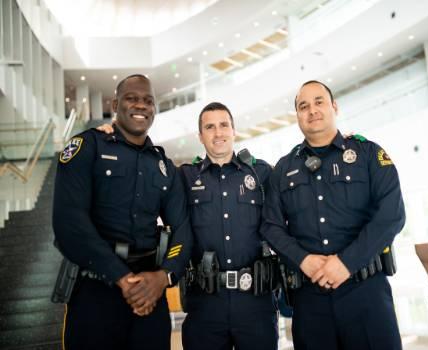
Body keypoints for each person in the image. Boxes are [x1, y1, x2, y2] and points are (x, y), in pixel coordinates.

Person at [261, 80, 405, 350]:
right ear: (298, 116)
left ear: (334, 107)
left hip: (366, 293)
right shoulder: (284, 168)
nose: (312, 110)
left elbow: (392, 214)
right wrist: (302, 260)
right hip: (310, 300)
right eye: (303, 106)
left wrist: (346, 262)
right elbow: (271, 226)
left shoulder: (369, 153)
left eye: (319, 102)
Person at [52, 74, 191, 350]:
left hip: (150, 294)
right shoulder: (87, 147)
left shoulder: (163, 165)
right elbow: (69, 223)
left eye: (148, 101)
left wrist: (163, 277)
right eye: (132, 98)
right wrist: (122, 278)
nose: (141, 105)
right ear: (116, 103)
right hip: (96, 291)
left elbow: (183, 230)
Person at [172, 102, 278, 350]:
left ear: (234, 130)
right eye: (209, 127)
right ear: (200, 136)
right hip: (204, 303)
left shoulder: (261, 172)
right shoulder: (185, 177)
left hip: (255, 303)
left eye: (223, 125)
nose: (218, 133)